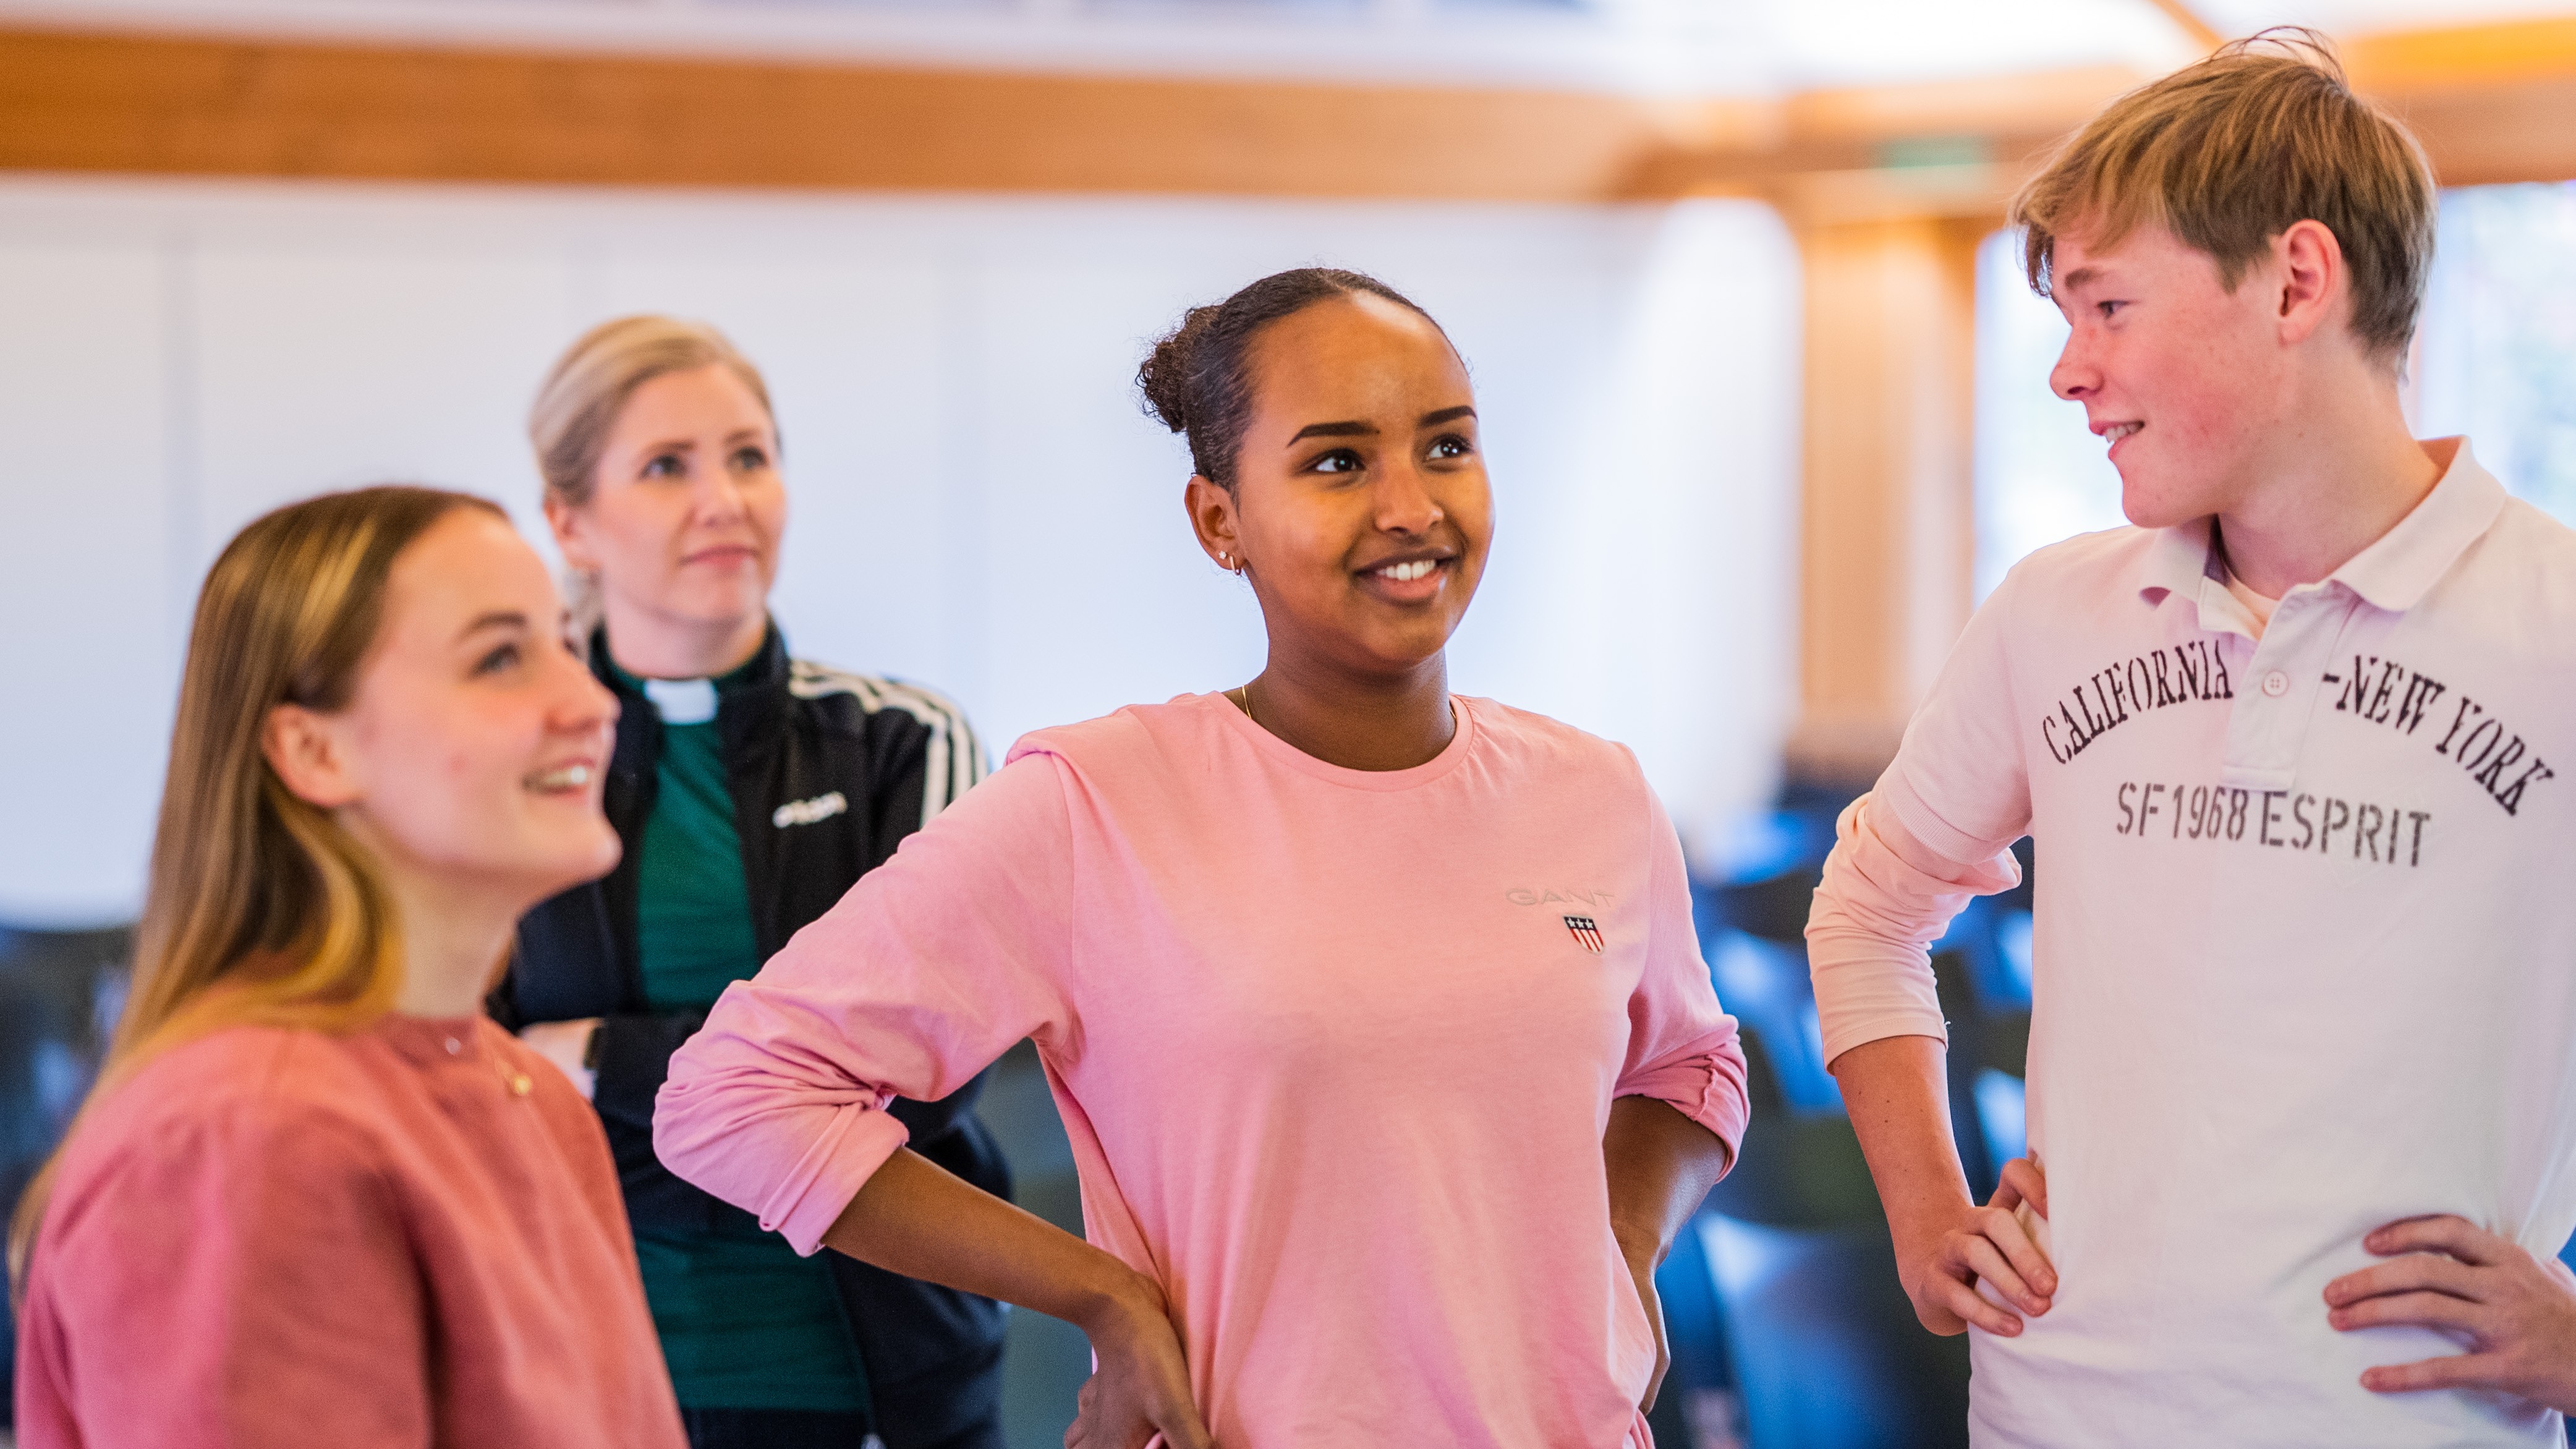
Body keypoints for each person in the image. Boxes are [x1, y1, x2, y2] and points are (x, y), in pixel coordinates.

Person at [651, 267, 1748, 1448]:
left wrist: (1621, 1245)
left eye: (1446, 446)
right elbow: (735, 1094)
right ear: (1220, 521)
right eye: (1337, 461)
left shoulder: (1596, 792)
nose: (1411, 505)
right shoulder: (1096, 803)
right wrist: (1100, 1295)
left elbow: (1691, 1069)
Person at [1804, 32, 2576, 1448]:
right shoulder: (2052, 610)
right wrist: (1924, 1213)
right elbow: (1865, 907)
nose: (2064, 372)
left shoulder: (2556, 627)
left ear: (2294, 281)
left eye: (2103, 306)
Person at [8, 487, 686, 1448]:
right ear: (313, 748)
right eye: (499, 657)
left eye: (570, 647)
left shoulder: (530, 1093)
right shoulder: (245, 1140)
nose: (591, 703)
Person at [489, 315, 1008, 1449]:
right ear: (570, 522)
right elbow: (470, 1084)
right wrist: (788, 1098)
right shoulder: (511, 762)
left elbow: (921, 1087)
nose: (724, 498)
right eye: (667, 466)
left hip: (885, 1376)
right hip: (590, 1374)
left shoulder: (901, 744)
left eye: (750, 456)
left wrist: (592, 1056)